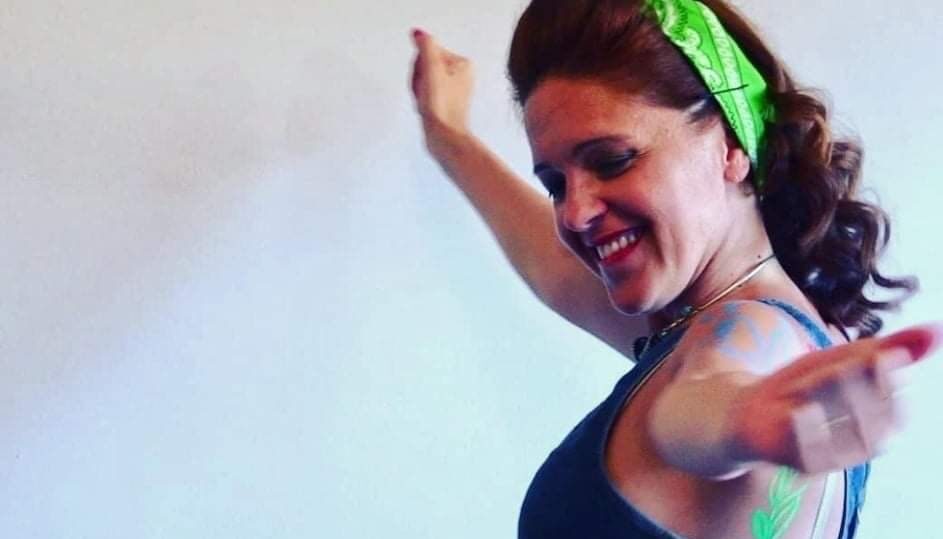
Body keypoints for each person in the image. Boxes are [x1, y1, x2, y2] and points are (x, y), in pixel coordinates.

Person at [408, 1, 941, 537]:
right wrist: (448, 135)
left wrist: (743, 417)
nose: (573, 213)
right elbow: (555, 272)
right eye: (556, 185)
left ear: (730, 146)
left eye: (612, 161)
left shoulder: (750, 333)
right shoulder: (764, 320)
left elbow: (696, 404)